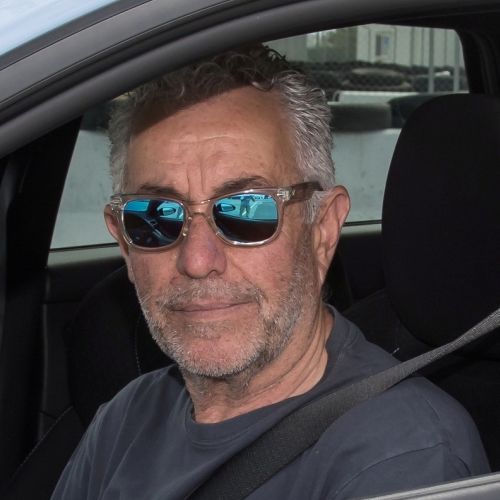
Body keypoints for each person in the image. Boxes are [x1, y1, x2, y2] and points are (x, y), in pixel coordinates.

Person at [51, 46, 489, 499]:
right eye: (156, 215)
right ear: (124, 243)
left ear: (322, 231)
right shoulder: (126, 418)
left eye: (247, 210)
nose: (197, 261)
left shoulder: (403, 459)